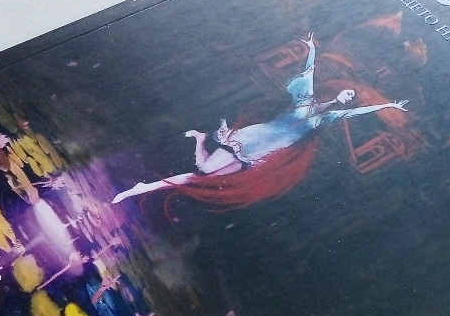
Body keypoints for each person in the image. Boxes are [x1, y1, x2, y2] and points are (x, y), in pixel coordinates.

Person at [111, 33, 407, 205]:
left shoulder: (328, 117)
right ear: (337, 92)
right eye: (347, 94)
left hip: (264, 151)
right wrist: (312, 49)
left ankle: (153, 182)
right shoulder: (305, 98)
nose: (347, 98)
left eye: (350, 97)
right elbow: (309, 71)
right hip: (255, 137)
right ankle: (149, 183)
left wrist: (389, 104)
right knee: (203, 171)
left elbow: (357, 112)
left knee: (206, 177)